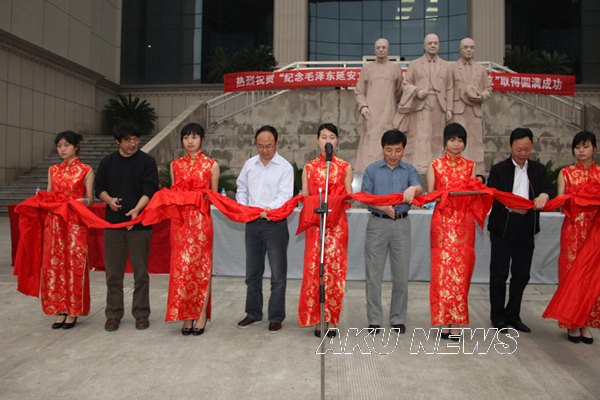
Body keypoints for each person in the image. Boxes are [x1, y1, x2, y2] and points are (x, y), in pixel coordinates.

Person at [487, 127, 555, 332]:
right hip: (503, 226)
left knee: (521, 274)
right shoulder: (499, 169)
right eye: (518, 149)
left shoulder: (538, 170)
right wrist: (510, 206)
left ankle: (513, 314)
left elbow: (549, 188)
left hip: (526, 227)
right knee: (499, 274)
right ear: (510, 146)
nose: (522, 153)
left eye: (526, 149)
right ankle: (498, 317)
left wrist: (544, 195)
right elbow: (492, 194)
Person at [95, 119, 159, 332]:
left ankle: (141, 313)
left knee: (141, 273)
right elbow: (99, 188)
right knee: (113, 273)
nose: (133, 144)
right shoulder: (108, 162)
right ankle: (113, 314)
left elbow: (150, 190)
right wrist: (109, 200)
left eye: (136, 139)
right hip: (113, 225)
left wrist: (137, 211)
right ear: (117, 141)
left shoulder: (147, 162)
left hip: (139, 225)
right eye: (128, 140)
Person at [361, 129, 422, 334]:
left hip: (401, 225)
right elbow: (365, 196)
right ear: (383, 149)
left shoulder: (409, 170)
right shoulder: (372, 170)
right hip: (377, 224)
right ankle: (374, 319)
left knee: (401, 274)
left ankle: (398, 318)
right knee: (373, 274)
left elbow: (419, 188)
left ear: (403, 149)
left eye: (398, 150)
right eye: (389, 150)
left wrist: (413, 189)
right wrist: (382, 207)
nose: (393, 154)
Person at [236, 125, 294, 333]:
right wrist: (244, 206)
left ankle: (276, 316)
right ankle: (253, 313)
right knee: (252, 272)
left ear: (276, 143)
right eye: (260, 146)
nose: (264, 150)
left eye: (268, 146)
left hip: (275, 223)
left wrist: (268, 210)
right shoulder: (249, 164)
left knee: (277, 273)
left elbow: (285, 195)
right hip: (252, 223)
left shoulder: (285, 167)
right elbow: (242, 188)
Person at [298, 123, 353, 337]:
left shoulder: (345, 167)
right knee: (315, 271)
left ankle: (332, 319)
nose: (327, 141)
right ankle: (318, 318)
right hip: (316, 226)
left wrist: (338, 202)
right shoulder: (309, 167)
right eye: (323, 137)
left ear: (337, 141)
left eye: (331, 137)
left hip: (337, 226)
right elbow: (305, 196)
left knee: (334, 272)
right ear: (317, 140)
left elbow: (349, 197)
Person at [545, 131, 599, 344]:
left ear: (594, 148)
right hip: (573, 231)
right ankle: (571, 323)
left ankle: (585, 322)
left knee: (590, 278)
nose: (581, 151)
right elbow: (561, 201)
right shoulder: (566, 173)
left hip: (594, 233)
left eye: (585, 146)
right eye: (577, 147)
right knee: (570, 275)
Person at [166, 123, 219, 335]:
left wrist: (198, 198)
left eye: (194, 137)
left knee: (201, 268)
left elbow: (213, 197)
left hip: (201, 223)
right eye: (186, 137)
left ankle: (201, 314)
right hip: (179, 223)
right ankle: (186, 315)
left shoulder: (211, 165)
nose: (190, 141)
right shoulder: (175, 165)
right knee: (181, 270)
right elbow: (173, 194)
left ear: (202, 139)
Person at [426, 123, 476, 339]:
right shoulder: (435, 165)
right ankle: (443, 322)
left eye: (460, 140)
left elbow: (474, 194)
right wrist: (445, 196)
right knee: (442, 274)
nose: (456, 144)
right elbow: (430, 196)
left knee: (461, 274)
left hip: (464, 223)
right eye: (452, 139)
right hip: (442, 224)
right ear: (445, 141)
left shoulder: (471, 166)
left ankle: (456, 322)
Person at [42, 131, 94, 329]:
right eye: (59, 146)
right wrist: (43, 199)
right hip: (55, 223)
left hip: (75, 223)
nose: (62, 149)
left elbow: (90, 199)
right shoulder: (53, 170)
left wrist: (78, 201)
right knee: (55, 265)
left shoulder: (85, 170)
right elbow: (48, 195)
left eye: (66, 145)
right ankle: (59, 309)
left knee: (74, 264)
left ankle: (73, 310)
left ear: (76, 146)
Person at [394, 33, 453, 173]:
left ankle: (437, 164)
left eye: (435, 43)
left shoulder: (447, 66)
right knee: (422, 134)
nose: (433, 45)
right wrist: (416, 91)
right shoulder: (415, 64)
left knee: (438, 135)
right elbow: (405, 84)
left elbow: (450, 88)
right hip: (421, 103)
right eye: (429, 43)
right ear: (424, 46)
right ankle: (421, 165)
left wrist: (449, 108)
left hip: (439, 103)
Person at [354, 38, 403, 172]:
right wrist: (363, 106)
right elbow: (359, 91)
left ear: (388, 49)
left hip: (389, 113)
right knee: (370, 142)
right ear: (374, 49)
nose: (381, 50)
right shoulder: (367, 68)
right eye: (378, 48)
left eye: (384, 47)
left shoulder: (395, 68)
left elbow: (399, 91)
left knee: (389, 142)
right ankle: (366, 171)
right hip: (371, 115)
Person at [451, 37, 492, 173]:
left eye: (471, 47)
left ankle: (476, 168)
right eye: (466, 47)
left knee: (475, 139)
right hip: (458, 109)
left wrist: (481, 96)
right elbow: (448, 88)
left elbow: (488, 89)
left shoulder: (481, 69)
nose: (469, 50)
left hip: (475, 109)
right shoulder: (452, 68)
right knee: (457, 139)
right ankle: (457, 166)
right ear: (460, 49)